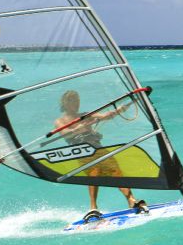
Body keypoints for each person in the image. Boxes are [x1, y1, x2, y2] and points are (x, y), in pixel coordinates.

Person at [54, 89, 149, 221]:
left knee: (116, 171)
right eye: (74, 101)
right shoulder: (60, 121)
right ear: (66, 103)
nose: (77, 104)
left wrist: (122, 108)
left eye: (78, 101)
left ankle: (131, 200)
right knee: (94, 172)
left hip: (97, 146)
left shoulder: (86, 114)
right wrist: (79, 126)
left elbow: (106, 116)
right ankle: (93, 207)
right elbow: (66, 132)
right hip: (82, 149)